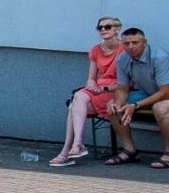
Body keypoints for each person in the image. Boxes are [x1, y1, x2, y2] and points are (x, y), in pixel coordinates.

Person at [49, 16, 122, 166]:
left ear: (117, 29)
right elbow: (91, 77)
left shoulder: (124, 49)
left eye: (107, 26)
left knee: (72, 107)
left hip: (115, 91)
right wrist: (91, 84)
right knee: (78, 96)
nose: (103, 30)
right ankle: (77, 144)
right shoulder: (96, 50)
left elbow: (127, 83)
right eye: (99, 27)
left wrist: (105, 88)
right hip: (97, 89)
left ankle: (66, 152)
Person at [104, 27, 169, 168]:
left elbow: (165, 92)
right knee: (114, 106)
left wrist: (136, 105)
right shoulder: (123, 59)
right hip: (149, 92)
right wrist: (118, 103)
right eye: (126, 44)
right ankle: (130, 151)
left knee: (160, 107)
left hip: (165, 93)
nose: (131, 47)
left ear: (144, 42)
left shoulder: (160, 57)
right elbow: (122, 88)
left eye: (135, 42)